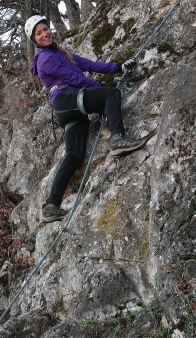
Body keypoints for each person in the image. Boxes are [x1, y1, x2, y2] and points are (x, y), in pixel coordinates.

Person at [25, 15, 145, 223]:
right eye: (39, 33)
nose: (45, 34)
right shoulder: (45, 59)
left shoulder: (61, 53)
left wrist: (118, 67)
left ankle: (51, 205)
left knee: (74, 155)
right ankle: (117, 139)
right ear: (34, 40)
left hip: (68, 109)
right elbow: (76, 79)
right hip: (65, 99)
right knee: (110, 94)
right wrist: (101, 89)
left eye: (46, 29)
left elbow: (89, 64)